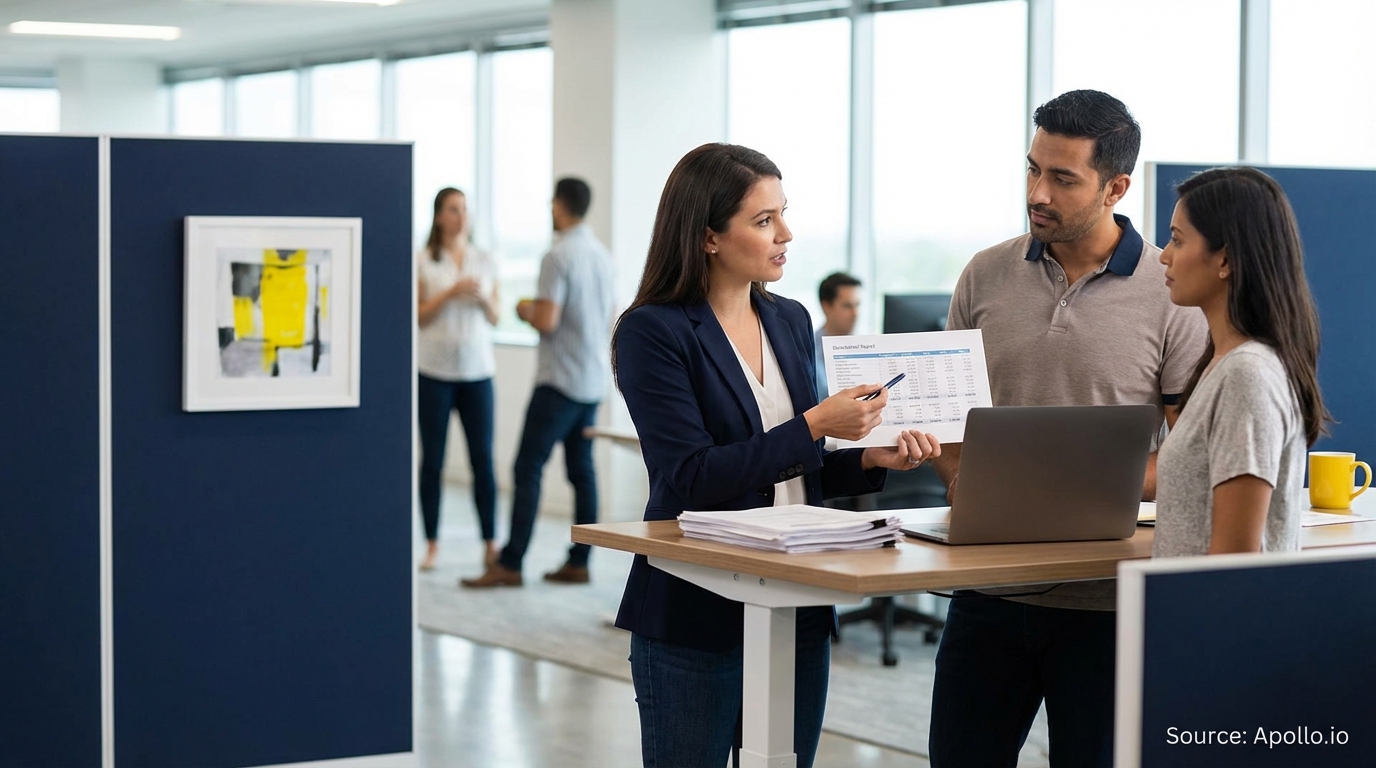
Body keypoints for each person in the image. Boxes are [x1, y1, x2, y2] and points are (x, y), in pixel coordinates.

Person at [612, 142, 941, 768]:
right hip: (696, 608)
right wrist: (818, 422)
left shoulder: (788, 320)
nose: (785, 234)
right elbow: (692, 477)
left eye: (783, 214)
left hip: (797, 601)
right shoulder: (653, 331)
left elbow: (795, 468)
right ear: (708, 237)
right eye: (764, 221)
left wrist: (871, 460)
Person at [926, 90, 1209, 767]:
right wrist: (964, 478)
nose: (1037, 192)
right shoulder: (985, 273)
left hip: (1106, 604)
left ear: (1115, 186)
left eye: (1062, 177)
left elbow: (1193, 450)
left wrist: (1084, 494)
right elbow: (948, 414)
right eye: (1032, 170)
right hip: (985, 592)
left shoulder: (1170, 291)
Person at [1154, 167, 1328, 558]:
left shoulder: (1246, 375)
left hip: (1211, 616)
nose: (1164, 256)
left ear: (1226, 260)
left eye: (1178, 241)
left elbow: (1236, 562)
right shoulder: (1222, 364)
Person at [462, 177, 616, 588]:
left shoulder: (557, 255)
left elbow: (547, 319)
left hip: (559, 380)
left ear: (560, 206)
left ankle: (510, 564)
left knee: (527, 468)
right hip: (592, 379)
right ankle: (580, 561)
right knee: (582, 472)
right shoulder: (602, 255)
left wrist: (523, 307)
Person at [415, 187, 499, 572]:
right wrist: (451, 291)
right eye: (453, 209)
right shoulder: (424, 260)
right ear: (438, 216)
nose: (461, 216)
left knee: (483, 459)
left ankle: (489, 543)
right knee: (432, 460)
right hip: (434, 372)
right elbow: (419, 316)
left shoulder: (485, 259)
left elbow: (496, 316)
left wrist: (481, 298)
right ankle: (431, 543)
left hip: (477, 372)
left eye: (465, 209)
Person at [813, 271, 862, 401]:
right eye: (847, 306)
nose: (855, 313)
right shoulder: (808, 351)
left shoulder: (866, 347)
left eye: (857, 305)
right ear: (826, 306)